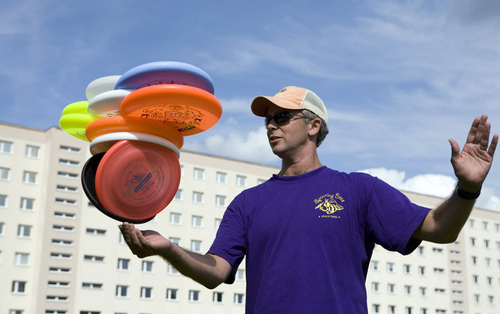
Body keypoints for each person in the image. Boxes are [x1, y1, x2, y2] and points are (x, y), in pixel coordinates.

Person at [119, 86, 498, 313]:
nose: (271, 125)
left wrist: (467, 189)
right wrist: (167, 248)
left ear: (314, 126)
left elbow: (439, 229)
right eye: (267, 119)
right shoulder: (247, 203)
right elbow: (217, 271)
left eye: (282, 116)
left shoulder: (359, 189)